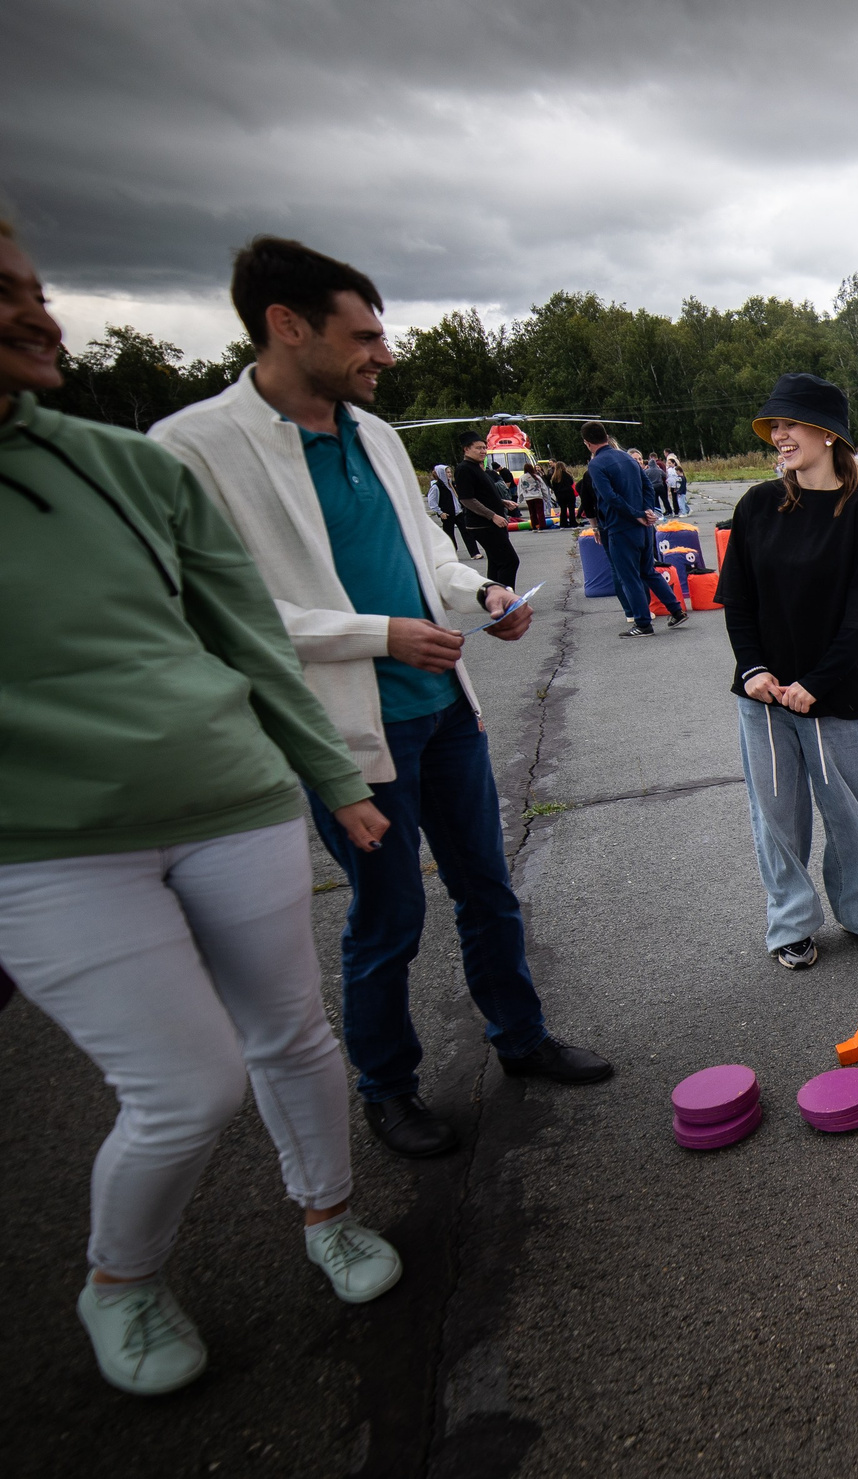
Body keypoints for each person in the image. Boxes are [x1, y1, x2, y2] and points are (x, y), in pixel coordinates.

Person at [1, 221, 406, 1398]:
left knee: (294, 1036)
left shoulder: (123, 466)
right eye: (6, 294)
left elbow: (242, 637)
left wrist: (332, 779)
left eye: (35, 288)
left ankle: (327, 1214)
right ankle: (119, 1282)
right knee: (186, 1089)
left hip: (232, 804)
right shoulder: (198, 441)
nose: (40, 314)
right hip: (51, 852)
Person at [151, 234, 613, 1161]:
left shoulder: (374, 435)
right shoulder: (195, 447)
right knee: (388, 914)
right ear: (287, 326)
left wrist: (475, 590)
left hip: (443, 709)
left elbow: (424, 552)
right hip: (348, 737)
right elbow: (217, 609)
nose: (385, 354)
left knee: (488, 888)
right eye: (364, 334)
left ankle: (519, 1037)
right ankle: (388, 1088)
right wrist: (380, 634)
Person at [715, 374, 858, 970]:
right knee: (777, 818)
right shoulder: (756, 506)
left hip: (835, 694)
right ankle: (791, 924)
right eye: (775, 426)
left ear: (826, 435)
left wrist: (815, 683)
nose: (779, 435)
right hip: (764, 697)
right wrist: (754, 671)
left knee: (850, 813)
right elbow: (738, 602)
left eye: (790, 424)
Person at [586, 422, 688, 636]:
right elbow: (647, 486)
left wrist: (637, 514)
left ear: (587, 443)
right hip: (644, 527)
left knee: (629, 577)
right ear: (606, 436)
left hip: (621, 527)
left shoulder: (596, 465)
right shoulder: (626, 457)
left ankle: (642, 623)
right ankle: (676, 609)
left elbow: (610, 497)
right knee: (648, 571)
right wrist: (648, 510)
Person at [450, 431, 521, 587]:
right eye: (478, 448)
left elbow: (482, 494)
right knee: (509, 561)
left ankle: (493, 598)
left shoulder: (476, 468)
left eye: (484, 447)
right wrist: (492, 515)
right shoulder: (464, 469)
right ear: (466, 449)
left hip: (492, 523)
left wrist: (502, 502)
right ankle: (506, 601)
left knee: (496, 562)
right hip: (483, 525)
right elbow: (467, 499)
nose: (483, 451)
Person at [429, 459, 477, 554]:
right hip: (447, 514)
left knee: (466, 532)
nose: (449, 474)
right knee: (449, 534)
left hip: (458, 512)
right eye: (447, 472)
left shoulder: (452, 484)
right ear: (440, 473)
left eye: (450, 472)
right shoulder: (436, 487)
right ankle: (452, 552)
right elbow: (432, 502)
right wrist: (440, 512)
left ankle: (474, 552)